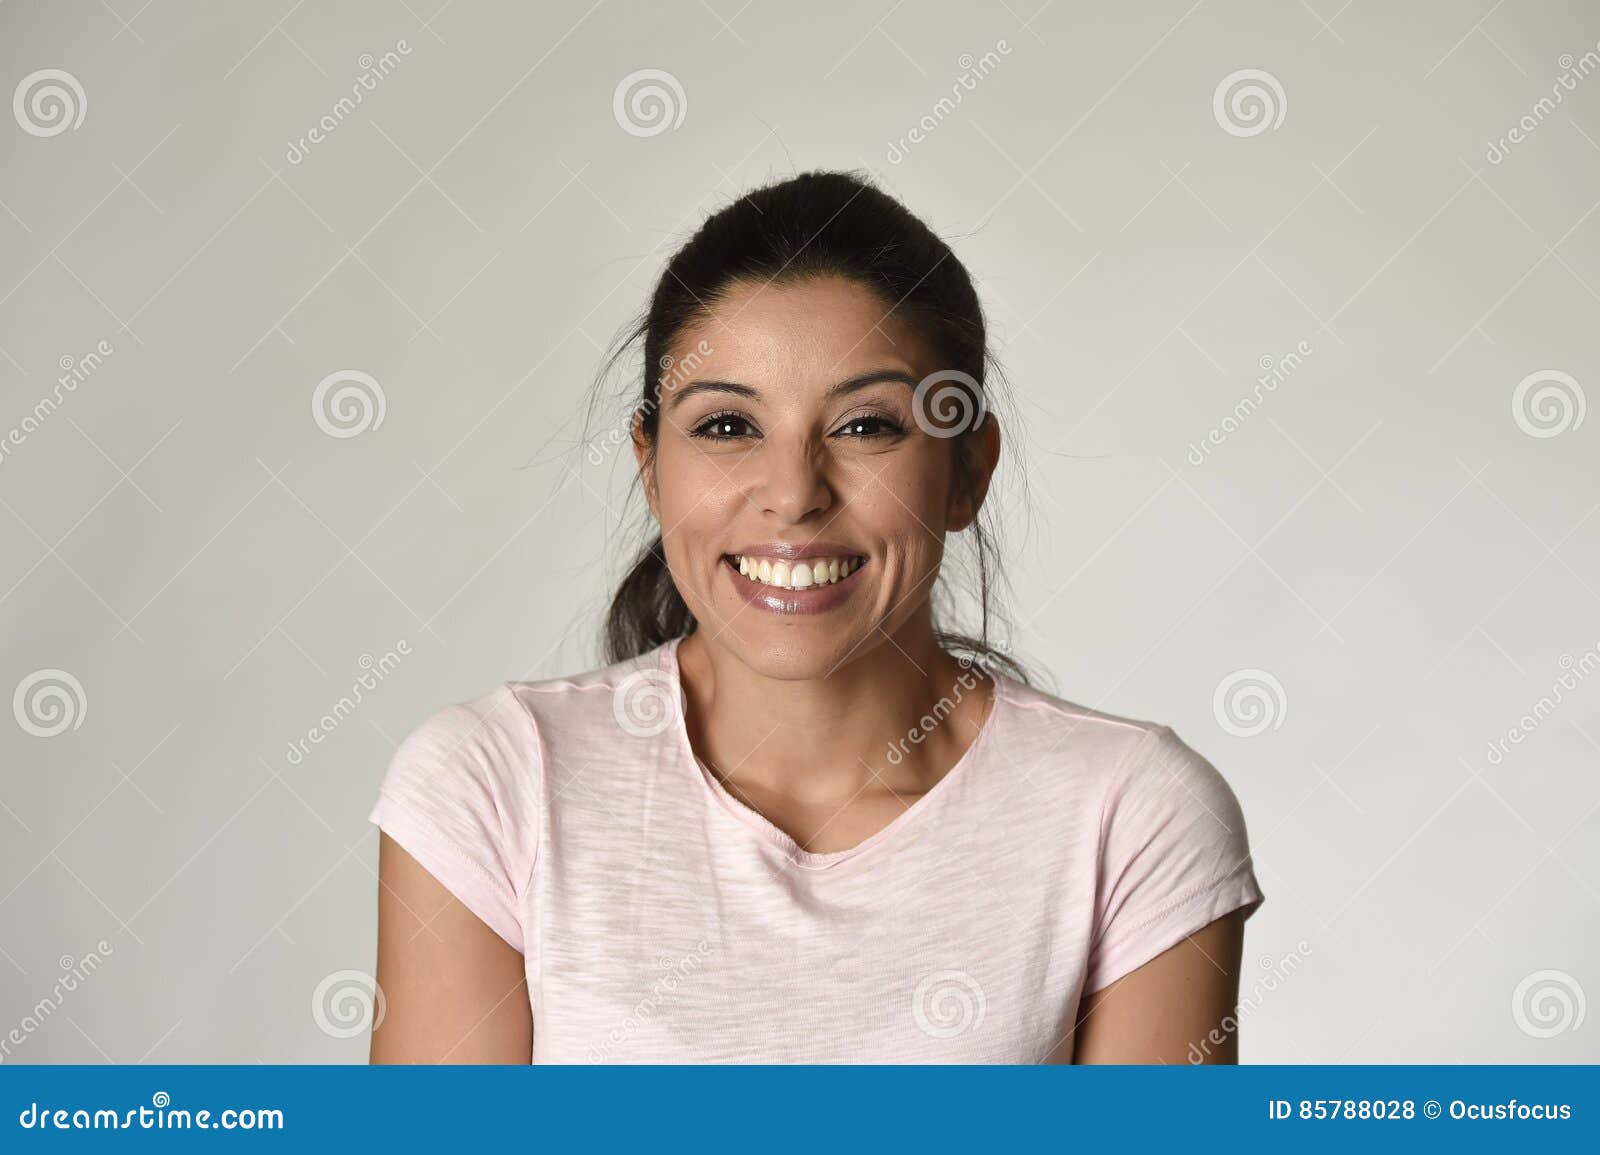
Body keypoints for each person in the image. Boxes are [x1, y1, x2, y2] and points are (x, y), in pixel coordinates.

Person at [368, 170, 1264, 1064]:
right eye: (726, 426)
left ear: (967, 470)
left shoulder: (1129, 813)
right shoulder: (494, 785)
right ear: (650, 462)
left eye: (867, 426)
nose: (794, 495)